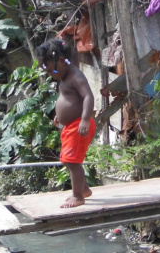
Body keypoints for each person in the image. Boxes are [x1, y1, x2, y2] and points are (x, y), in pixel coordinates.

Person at [36, 39, 96, 208]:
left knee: (73, 162)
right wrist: (59, 115)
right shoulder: (64, 77)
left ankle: (78, 196)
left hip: (79, 124)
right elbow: (68, 99)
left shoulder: (75, 76)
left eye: (50, 70)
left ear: (62, 61)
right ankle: (84, 190)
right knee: (68, 160)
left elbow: (88, 96)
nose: (50, 74)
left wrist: (85, 119)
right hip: (70, 126)